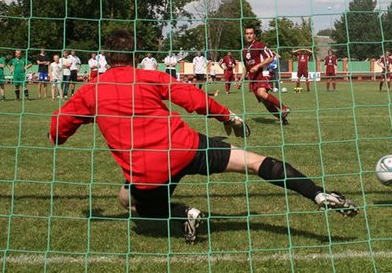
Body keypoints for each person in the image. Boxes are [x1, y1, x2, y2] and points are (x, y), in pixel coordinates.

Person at [48, 29, 358, 244]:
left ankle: (186, 214)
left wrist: (77, 122)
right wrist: (228, 115)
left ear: (105, 57)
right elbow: (192, 98)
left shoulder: (92, 91)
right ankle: (318, 193)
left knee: (130, 201)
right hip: (186, 147)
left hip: (148, 170)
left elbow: (57, 131)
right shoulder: (152, 77)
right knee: (253, 161)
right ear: (135, 55)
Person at [238, 26, 291, 124]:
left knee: (261, 93)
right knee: (265, 102)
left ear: (254, 35)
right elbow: (246, 67)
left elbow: (271, 57)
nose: (249, 35)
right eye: (247, 33)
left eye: (251, 33)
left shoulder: (260, 45)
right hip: (253, 79)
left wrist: (258, 66)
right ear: (245, 35)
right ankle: (282, 119)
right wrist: (241, 80)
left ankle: (284, 108)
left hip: (263, 73)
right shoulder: (244, 50)